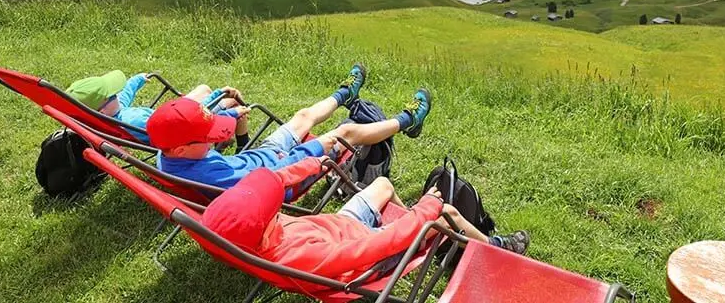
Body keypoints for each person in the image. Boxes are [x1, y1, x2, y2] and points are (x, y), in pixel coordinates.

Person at [202, 165, 530, 287]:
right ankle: (498, 247)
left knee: (383, 184)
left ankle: (425, 231)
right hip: (366, 254)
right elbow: (374, 248)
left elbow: (274, 180)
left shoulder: (251, 238)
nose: (275, 208)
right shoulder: (298, 257)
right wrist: (426, 211)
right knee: (447, 212)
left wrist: (315, 163)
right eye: (270, 208)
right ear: (263, 225)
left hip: (342, 225)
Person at [147, 64, 433, 190]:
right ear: (184, 148)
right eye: (207, 139)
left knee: (302, 116)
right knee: (343, 134)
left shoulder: (168, 154)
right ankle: (408, 120)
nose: (212, 141)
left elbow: (225, 150)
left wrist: (232, 120)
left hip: (262, 156)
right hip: (286, 171)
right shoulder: (212, 177)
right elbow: (271, 180)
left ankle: (345, 95)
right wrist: (306, 151)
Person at [66, 70, 250, 147]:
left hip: (167, 116)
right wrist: (216, 95)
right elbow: (181, 121)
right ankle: (244, 144)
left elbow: (123, 98)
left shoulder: (113, 117)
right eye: (113, 94)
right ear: (102, 111)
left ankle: (224, 140)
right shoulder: (133, 121)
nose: (118, 94)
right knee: (231, 100)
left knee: (203, 88)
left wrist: (136, 81)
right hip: (178, 126)